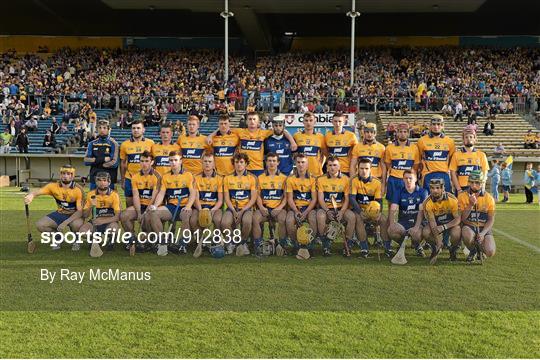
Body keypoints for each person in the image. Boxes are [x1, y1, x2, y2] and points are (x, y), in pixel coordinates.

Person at [207, 112, 297, 177]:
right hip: (243, 168)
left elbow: (282, 130)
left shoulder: (264, 133)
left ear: (258, 122)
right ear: (246, 121)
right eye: (250, 119)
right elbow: (224, 129)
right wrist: (211, 136)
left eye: (254, 119)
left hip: (258, 169)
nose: (252, 121)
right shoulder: (240, 132)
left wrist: (292, 141)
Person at [23, 165, 84, 250]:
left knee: (77, 225)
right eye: (63, 173)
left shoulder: (78, 189)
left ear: (72, 175)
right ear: (60, 175)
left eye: (68, 174)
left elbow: (80, 211)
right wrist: (31, 195)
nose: (65, 176)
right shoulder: (52, 186)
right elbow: (39, 191)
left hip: (75, 215)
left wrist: (65, 223)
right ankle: (58, 238)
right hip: (60, 213)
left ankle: (76, 240)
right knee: (40, 225)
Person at [148, 151, 196, 255]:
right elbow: (161, 194)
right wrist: (155, 206)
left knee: (185, 215)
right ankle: (162, 242)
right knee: (153, 213)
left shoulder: (188, 175)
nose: (173, 162)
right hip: (171, 206)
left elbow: (193, 193)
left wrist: (188, 206)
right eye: (171, 160)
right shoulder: (165, 177)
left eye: (175, 160)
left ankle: (183, 244)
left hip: (184, 206)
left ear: (180, 161)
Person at [119, 151, 161, 253]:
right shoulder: (135, 176)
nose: (144, 164)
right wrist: (138, 213)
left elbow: (155, 197)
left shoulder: (157, 176)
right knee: (124, 215)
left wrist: (145, 212)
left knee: (147, 217)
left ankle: (152, 241)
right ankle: (133, 239)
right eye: (142, 161)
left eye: (147, 161)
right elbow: (136, 195)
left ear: (152, 162)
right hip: (140, 205)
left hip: (151, 206)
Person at [350, 158, 391, 258]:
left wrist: (377, 213)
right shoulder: (354, 180)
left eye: (366, 168)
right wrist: (360, 212)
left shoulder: (377, 182)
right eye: (361, 168)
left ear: (370, 169)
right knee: (358, 219)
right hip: (360, 210)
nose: (364, 171)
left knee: (383, 219)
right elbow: (352, 199)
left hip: (373, 210)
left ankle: (387, 248)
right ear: (358, 169)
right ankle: (364, 248)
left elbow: (379, 201)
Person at [315, 155, 355, 257]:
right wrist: (328, 211)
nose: (332, 168)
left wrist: (341, 212)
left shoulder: (346, 179)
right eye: (330, 165)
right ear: (327, 167)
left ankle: (348, 244)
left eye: (335, 165)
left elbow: (346, 199)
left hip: (341, 208)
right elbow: (320, 199)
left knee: (351, 217)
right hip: (326, 208)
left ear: (339, 166)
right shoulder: (320, 179)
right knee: (320, 216)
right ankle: (326, 244)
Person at [221, 152, 258, 255]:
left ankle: (243, 242)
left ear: (246, 163)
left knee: (246, 221)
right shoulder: (227, 178)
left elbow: (253, 198)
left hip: (246, 208)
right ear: (233, 163)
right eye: (236, 162)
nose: (239, 164)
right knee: (224, 223)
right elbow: (227, 198)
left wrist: (242, 211)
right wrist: (233, 211)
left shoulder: (252, 178)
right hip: (232, 208)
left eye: (241, 162)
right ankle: (232, 242)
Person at [252, 152, 288, 256]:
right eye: (269, 161)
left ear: (278, 163)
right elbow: (257, 195)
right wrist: (261, 207)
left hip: (278, 209)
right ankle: (258, 246)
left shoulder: (284, 178)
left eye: (274, 161)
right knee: (255, 219)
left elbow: (286, 197)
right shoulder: (260, 177)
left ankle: (281, 246)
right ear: (266, 162)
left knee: (283, 219)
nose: (271, 163)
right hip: (264, 208)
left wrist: (279, 208)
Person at [387, 170, 429, 257]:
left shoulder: (423, 192)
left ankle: (417, 245)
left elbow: (421, 212)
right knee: (391, 231)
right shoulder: (398, 191)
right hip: (403, 222)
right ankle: (402, 244)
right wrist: (392, 224)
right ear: (403, 179)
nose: (408, 180)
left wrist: (416, 227)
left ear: (416, 179)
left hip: (418, 222)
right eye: (406, 178)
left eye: (410, 178)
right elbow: (393, 209)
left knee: (416, 235)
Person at [458, 170, 497, 262]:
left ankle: (481, 250)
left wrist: (483, 233)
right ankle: (473, 250)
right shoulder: (462, 196)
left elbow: (491, 220)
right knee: (467, 233)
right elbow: (462, 219)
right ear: (468, 182)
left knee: (490, 251)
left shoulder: (489, 198)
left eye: (477, 183)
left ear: (483, 182)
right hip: (469, 225)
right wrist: (470, 205)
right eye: (472, 182)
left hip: (483, 227)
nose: (474, 185)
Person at [78, 172, 121, 252]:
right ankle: (97, 240)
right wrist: (90, 205)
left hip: (109, 222)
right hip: (94, 221)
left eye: (104, 180)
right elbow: (85, 215)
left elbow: (118, 216)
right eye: (99, 180)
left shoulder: (114, 195)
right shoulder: (91, 194)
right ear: (96, 182)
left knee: (114, 229)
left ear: (109, 182)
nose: (102, 183)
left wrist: (102, 221)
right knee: (82, 232)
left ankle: (111, 241)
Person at [285, 153, 318, 256]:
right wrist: (296, 211)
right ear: (295, 163)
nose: (300, 164)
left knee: (313, 219)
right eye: (298, 162)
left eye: (303, 162)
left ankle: (310, 245)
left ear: (307, 164)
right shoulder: (290, 179)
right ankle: (297, 244)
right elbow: (289, 199)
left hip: (309, 208)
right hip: (295, 208)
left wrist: (306, 212)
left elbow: (314, 199)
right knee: (289, 221)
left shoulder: (313, 179)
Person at [422, 178, 461, 264]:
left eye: (437, 188)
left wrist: (444, 227)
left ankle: (453, 249)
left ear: (443, 188)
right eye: (432, 188)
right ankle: (435, 248)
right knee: (425, 232)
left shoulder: (452, 199)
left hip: (450, 224)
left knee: (456, 232)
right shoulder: (427, 203)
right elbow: (432, 223)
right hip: (437, 224)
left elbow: (458, 219)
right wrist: (438, 241)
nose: (435, 190)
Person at [119, 120, 155, 207]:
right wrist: (123, 180)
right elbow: (123, 164)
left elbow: (154, 162)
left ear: (143, 130)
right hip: (129, 178)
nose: (136, 130)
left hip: (146, 179)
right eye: (134, 128)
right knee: (129, 205)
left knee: (146, 205)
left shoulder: (151, 143)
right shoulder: (124, 144)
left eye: (138, 128)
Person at [417, 115, 455, 193]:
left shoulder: (450, 141)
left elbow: (452, 160)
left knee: (446, 201)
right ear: (430, 126)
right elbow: (419, 159)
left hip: (444, 174)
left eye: (439, 124)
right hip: (428, 175)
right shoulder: (421, 141)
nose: (436, 127)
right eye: (433, 124)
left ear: (442, 126)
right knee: (429, 201)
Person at [384, 123, 420, 203]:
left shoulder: (414, 148)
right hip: (394, 179)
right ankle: (391, 216)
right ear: (396, 133)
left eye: (405, 132)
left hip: (408, 179)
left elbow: (416, 165)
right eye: (400, 131)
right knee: (392, 203)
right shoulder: (389, 147)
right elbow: (388, 164)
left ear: (408, 133)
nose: (402, 134)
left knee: (407, 203)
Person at [449, 125, 489, 194]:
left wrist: (482, 188)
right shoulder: (456, 155)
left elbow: (485, 173)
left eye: (471, 137)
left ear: (475, 139)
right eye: (466, 137)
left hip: (476, 188)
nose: (468, 139)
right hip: (461, 189)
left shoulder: (481, 155)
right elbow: (453, 174)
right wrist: (458, 189)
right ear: (463, 139)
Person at [192, 152, 224, 234]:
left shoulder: (220, 179)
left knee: (218, 220)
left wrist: (213, 210)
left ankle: (216, 242)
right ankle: (200, 240)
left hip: (214, 207)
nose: (207, 164)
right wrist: (201, 210)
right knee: (193, 221)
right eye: (205, 161)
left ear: (214, 164)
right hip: (200, 206)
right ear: (202, 163)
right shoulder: (196, 178)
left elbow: (220, 200)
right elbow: (196, 199)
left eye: (210, 162)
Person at [350, 123, 386, 193]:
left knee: (376, 203)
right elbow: (352, 165)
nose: (369, 134)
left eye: (372, 132)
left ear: (375, 133)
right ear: (363, 133)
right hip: (361, 180)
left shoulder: (381, 147)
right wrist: (352, 181)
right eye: (367, 132)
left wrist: (383, 184)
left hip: (376, 180)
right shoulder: (357, 147)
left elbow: (383, 167)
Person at [84, 120, 119, 190]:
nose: (102, 130)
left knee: (109, 200)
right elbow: (86, 161)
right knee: (93, 199)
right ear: (97, 129)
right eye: (100, 128)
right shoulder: (92, 143)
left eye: (104, 128)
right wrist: (104, 159)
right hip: (94, 177)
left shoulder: (114, 144)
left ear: (109, 129)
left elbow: (114, 163)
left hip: (109, 178)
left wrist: (96, 163)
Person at [293, 111, 326, 177]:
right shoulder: (296, 136)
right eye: (306, 120)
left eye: (311, 120)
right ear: (303, 122)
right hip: (301, 174)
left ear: (315, 122)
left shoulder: (320, 137)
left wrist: (320, 165)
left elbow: (325, 154)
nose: (308, 123)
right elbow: (294, 155)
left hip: (316, 174)